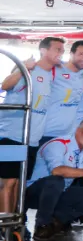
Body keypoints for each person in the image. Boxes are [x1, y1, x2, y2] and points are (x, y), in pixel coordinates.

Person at [0, 36, 64, 214]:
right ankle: (5, 223)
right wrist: (23, 68)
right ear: (43, 50)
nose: (61, 53)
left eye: (62, 50)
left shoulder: (51, 75)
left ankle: (15, 220)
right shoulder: (27, 69)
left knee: (19, 182)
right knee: (8, 182)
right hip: (12, 135)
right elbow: (5, 85)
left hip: (32, 139)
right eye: (57, 49)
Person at [25, 118, 83, 241]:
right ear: (78, 130)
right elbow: (56, 171)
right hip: (35, 193)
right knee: (56, 181)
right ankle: (42, 225)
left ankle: (57, 221)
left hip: (60, 192)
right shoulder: (58, 144)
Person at [40, 39, 83, 143]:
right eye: (81, 54)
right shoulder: (54, 68)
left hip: (68, 135)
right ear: (71, 53)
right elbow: (35, 67)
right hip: (46, 133)